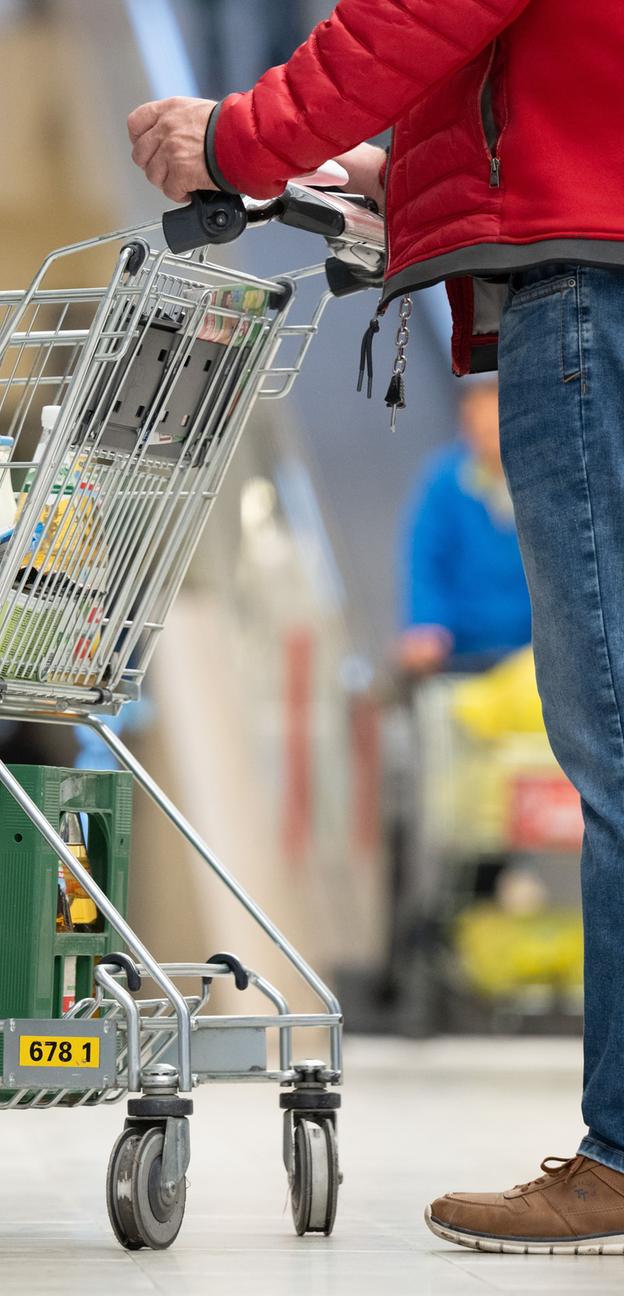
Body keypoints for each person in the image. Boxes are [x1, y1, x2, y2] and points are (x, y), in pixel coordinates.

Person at [127, 0, 624, 1254]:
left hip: (596, 294)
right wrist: (395, 164)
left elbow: (418, 15)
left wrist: (241, 142)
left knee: (617, 734)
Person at [399, 379, 530, 676]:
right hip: (465, 652)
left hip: (536, 649)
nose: (488, 440)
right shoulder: (445, 482)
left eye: (495, 429)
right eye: (478, 430)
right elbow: (425, 560)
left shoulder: (546, 480)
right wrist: (426, 624)